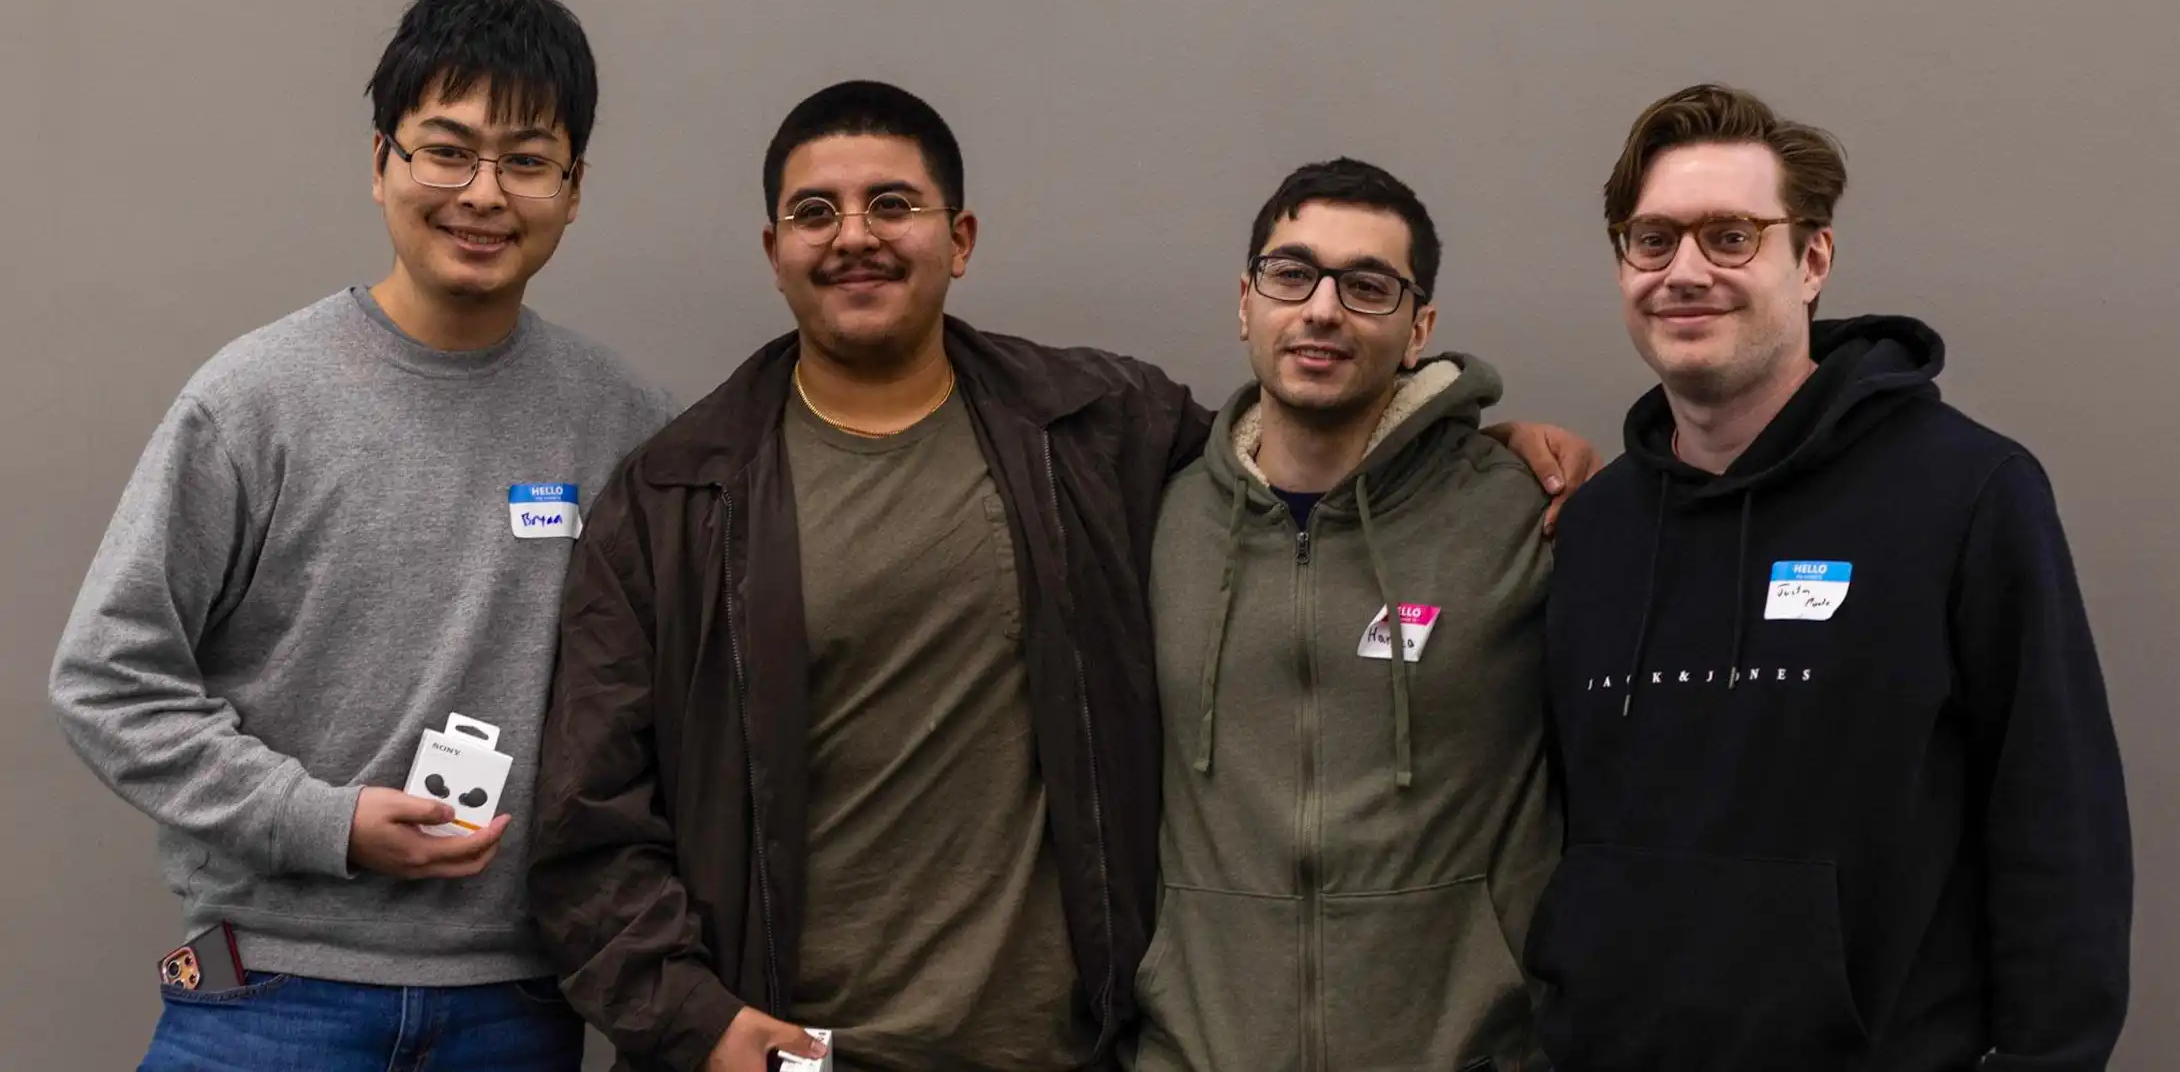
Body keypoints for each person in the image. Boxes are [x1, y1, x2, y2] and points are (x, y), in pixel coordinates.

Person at [527, 81, 1595, 1072]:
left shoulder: (1092, 432)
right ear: (774, 249)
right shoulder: (674, 498)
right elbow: (585, 821)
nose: (853, 235)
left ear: (960, 238)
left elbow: (1299, 450)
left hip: (1053, 1048)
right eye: (816, 213)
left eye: (890, 203)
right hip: (794, 1051)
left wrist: (1471, 449)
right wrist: (699, 1022)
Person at [47, 0, 677, 1071]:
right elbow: (105, 679)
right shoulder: (253, 399)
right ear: (380, 160)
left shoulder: (622, 421)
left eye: (526, 161)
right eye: (446, 149)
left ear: (572, 191)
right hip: (272, 992)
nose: (483, 192)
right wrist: (321, 822)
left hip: (520, 1005)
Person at [1525, 83, 2133, 1070]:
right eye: (1651, 240)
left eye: (1728, 236)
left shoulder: (1966, 493)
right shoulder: (1590, 529)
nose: (1684, 271)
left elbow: (2055, 829)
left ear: (1810, 260)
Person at [1129, 158, 1557, 1072]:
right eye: (1292, 274)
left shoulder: (1519, 511)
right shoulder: (1159, 525)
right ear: (1246, 302)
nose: (1322, 309)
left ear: (1419, 329)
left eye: (1368, 286)